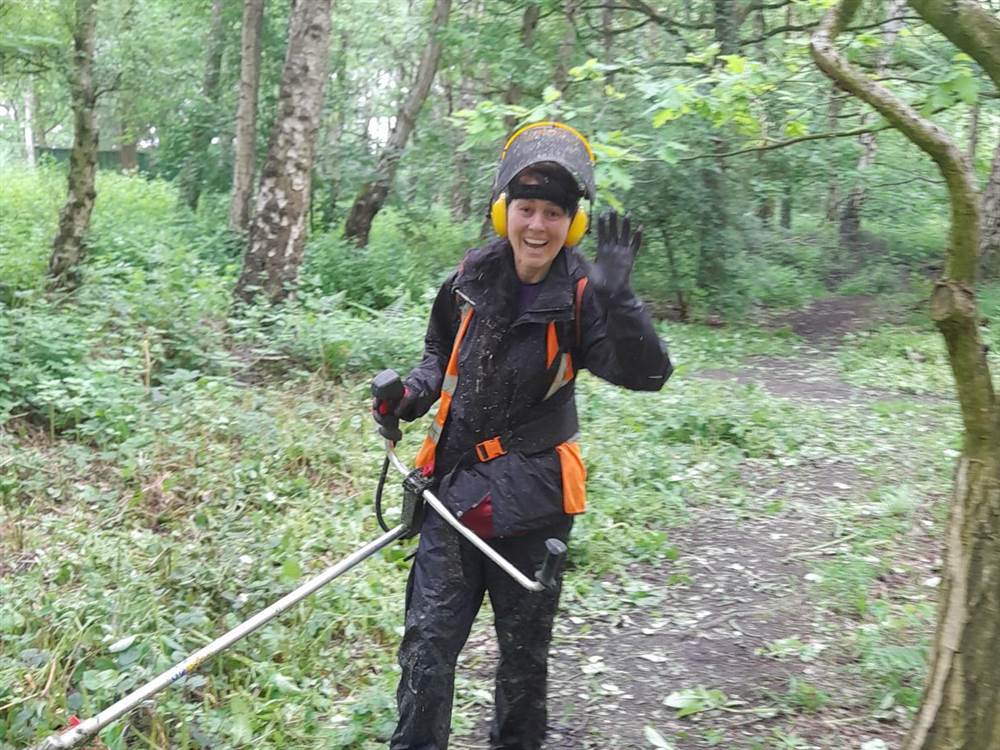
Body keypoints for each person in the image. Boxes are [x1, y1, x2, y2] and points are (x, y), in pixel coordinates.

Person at [373, 121, 672, 750]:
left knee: (522, 663)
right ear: (503, 211)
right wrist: (409, 396)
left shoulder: (584, 295)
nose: (537, 226)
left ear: (573, 224)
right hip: (451, 496)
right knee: (426, 652)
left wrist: (622, 303)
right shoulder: (469, 277)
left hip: (533, 505)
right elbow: (439, 354)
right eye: (526, 208)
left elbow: (647, 375)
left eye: (554, 213)